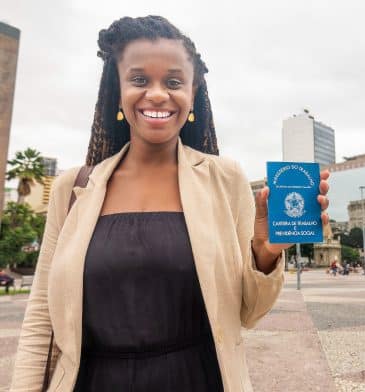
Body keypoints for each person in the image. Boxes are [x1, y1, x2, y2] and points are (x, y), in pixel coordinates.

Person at [10, 16, 331, 392]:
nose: (158, 93)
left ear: (192, 95)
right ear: (118, 91)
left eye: (174, 81)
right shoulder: (73, 188)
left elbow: (248, 312)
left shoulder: (225, 180)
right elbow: (40, 322)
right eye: (140, 79)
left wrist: (265, 251)